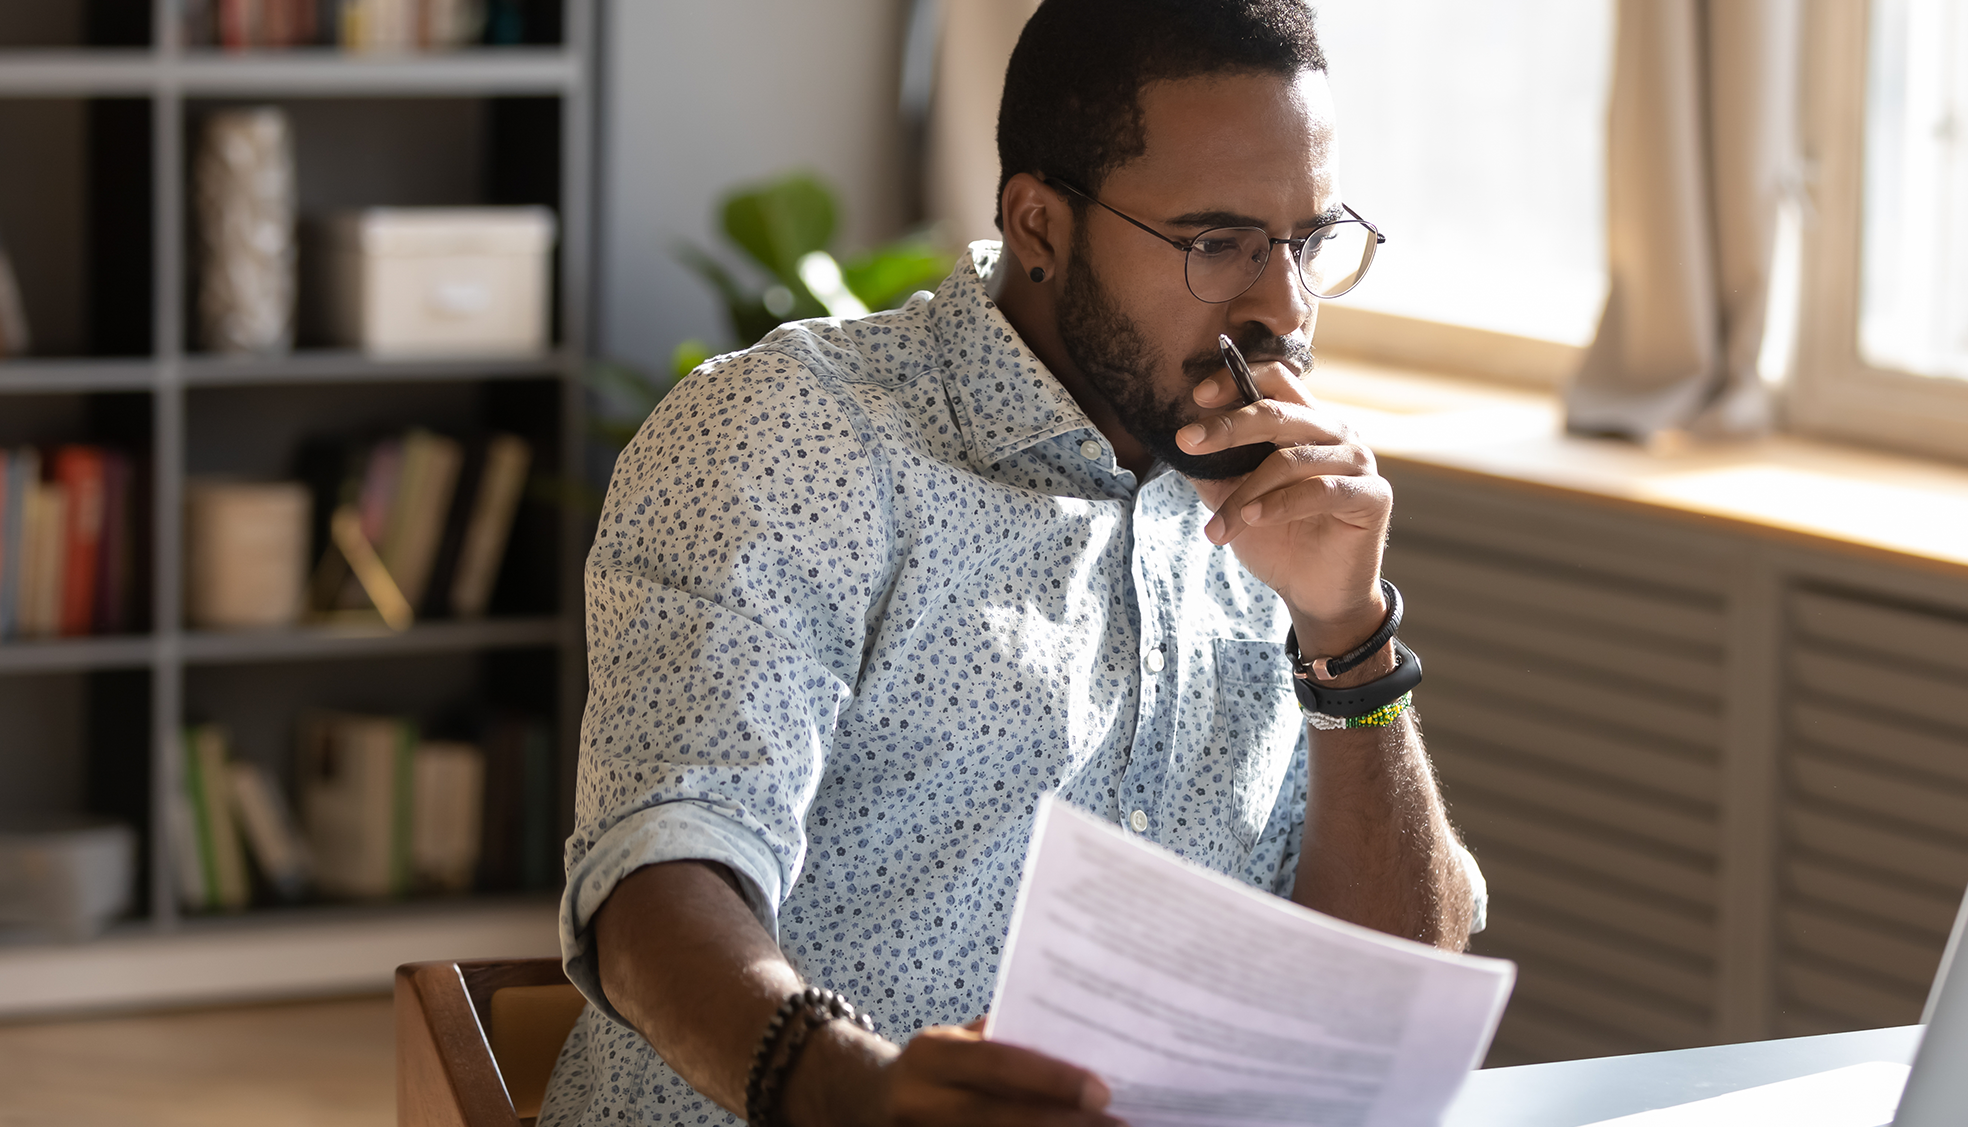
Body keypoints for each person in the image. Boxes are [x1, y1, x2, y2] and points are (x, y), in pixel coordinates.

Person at [538, 2, 1483, 1125]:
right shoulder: (794, 435)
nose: (1281, 305)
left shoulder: (1275, 497)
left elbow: (1385, 1000)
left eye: (1308, 241)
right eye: (1217, 243)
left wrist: (1349, 636)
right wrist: (848, 1088)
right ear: (1039, 223)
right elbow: (657, 870)